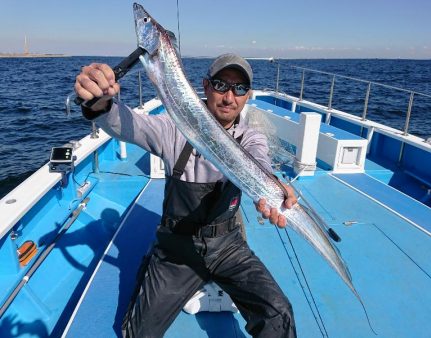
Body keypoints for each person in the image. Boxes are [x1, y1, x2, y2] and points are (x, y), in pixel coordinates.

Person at [75, 53, 297, 338]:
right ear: (205, 86)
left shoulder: (251, 138)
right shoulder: (175, 128)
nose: (229, 97)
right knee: (139, 333)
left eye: (239, 89)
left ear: (247, 96)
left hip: (227, 245)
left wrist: (273, 186)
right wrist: (99, 102)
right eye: (221, 85)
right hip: (176, 248)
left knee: (279, 313)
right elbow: (126, 123)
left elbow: (260, 162)